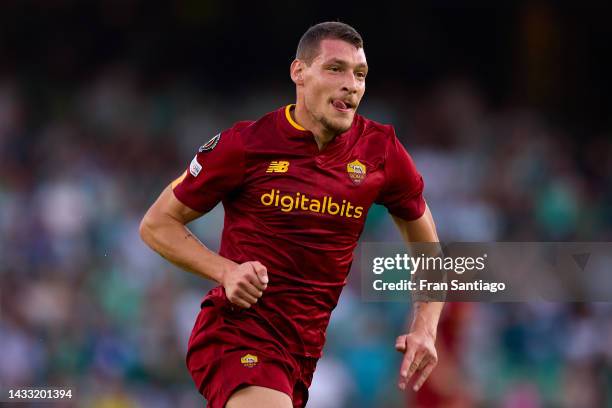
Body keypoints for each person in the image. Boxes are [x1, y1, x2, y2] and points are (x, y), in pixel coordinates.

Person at [140, 21, 443, 408]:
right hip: (237, 336)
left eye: (360, 74)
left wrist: (424, 328)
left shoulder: (380, 151)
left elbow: (429, 250)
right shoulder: (246, 145)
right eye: (335, 69)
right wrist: (225, 271)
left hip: (302, 355)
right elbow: (157, 223)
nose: (351, 83)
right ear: (299, 72)